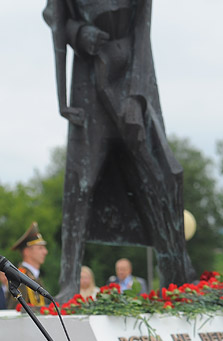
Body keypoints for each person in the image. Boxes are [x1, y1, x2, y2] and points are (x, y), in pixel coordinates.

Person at [43, 0, 194, 297]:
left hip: (130, 80)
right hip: (88, 82)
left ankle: (176, 275)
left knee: (161, 177)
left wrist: (136, 96)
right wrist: (78, 31)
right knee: (79, 184)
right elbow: (54, 14)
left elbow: (142, 32)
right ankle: (69, 281)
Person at [7, 222, 50, 309]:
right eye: (40, 248)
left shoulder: (33, 276)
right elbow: (16, 311)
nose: (45, 252)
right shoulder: (20, 278)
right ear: (27, 252)